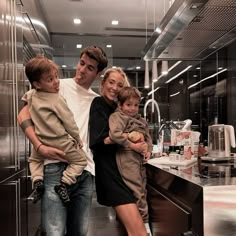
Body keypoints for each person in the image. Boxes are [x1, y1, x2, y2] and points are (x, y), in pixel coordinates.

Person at [18, 46, 108, 236]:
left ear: (98, 74)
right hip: (54, 168)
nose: (82, 69)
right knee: (54, 232)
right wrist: (39, 146)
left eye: (90, 68)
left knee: (79, 233)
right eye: (82, 63)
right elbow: (22, 115)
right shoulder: (55, 85)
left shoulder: (97, 100)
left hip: (85, 172)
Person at [89, 67, 148, 236]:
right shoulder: (98, 104)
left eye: (119, 85)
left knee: (126, 230)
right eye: (111, 82)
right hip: (110, 172)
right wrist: (132, 142)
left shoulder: (119, 109)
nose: (114, 88)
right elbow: (101, 140)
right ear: (103, 83)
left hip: (122, 170)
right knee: (139, 232)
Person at [22, 56, 87, 206]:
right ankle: (64, 184)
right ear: (37, 84)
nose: (57, 81)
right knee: (80, 160)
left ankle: (37, 181)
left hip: (40, 141)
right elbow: (69, 122)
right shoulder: (57, 99)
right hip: (60, 142)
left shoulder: (31, 95)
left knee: (34, 160)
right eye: (50, 79)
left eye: (56, 77)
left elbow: (24, 99)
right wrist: (77, 138)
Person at [108, 86, 153, 235]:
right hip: (127, 157)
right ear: (120, 105)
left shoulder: (140, 120)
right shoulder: (117, 117)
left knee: (142, 189)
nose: (133, 108)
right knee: (137, 191)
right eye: (128, 105)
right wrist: (132, 145)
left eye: (136, 105)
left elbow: (148, 137)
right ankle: (144, 226)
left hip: (139, 159)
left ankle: (136, 226)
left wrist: (148, 151)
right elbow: (115, 135)